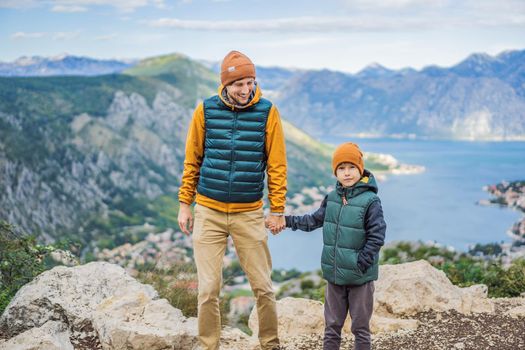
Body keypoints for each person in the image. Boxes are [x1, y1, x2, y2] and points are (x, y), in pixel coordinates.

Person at [177, 50, 286, 350]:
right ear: (225, 84)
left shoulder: (267, 112)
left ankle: (270, 344)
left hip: (248, 212)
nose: (245, 90)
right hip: (209, 211)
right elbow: (192, 160)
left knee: (263, 287)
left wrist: (277, 209)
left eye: (250, 82)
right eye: (238, 84)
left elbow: (277, 165)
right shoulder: (206, 110)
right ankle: (208, 345)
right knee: (208, 289)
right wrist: (185, 203)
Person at [276, 142, 386, 350]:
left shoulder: (371, 201)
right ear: (335, 172)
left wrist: (360, 263)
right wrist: (286, 221)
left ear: (360, 169)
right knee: (332, 327)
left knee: (360, 328)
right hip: (334, 276)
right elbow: (313, 221)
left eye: (351, 167)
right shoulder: (333, 197)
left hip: (359, 278)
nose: (347, 173)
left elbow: (377, 236)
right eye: (341, 168)